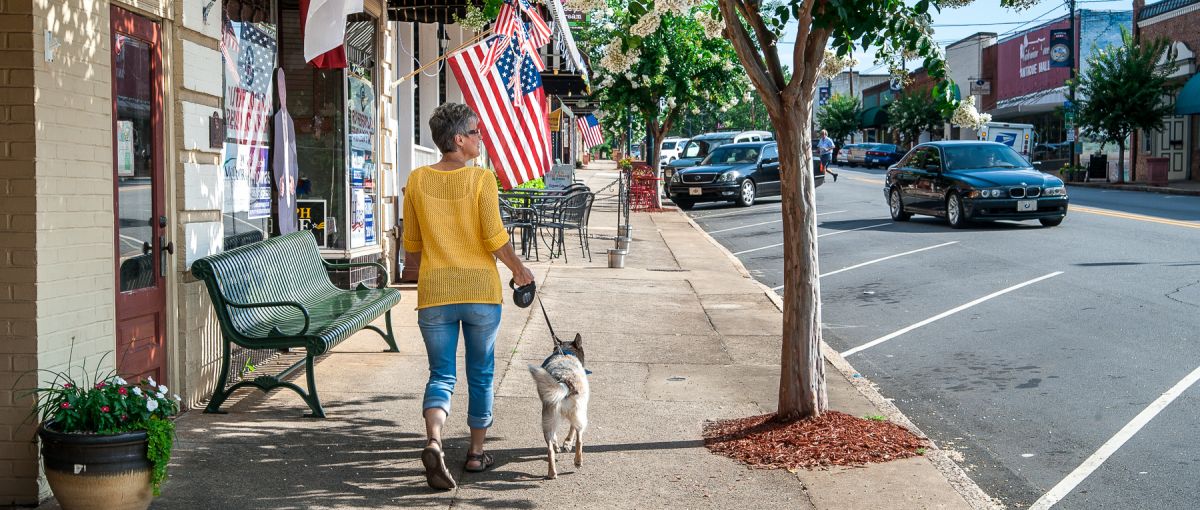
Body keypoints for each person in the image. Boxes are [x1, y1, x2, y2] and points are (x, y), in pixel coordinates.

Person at [402, 103, 536, 490]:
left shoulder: (417, 180)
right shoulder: (481, 180)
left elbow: (412, 245)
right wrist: (519, 269)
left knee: (440, 375)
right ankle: (476, 454)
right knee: (481, 374)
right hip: (479, 291)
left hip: (434, 293)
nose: (481, 138)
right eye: (475, 132)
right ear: (458, 140)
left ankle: (433, 441)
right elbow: (493, 237)